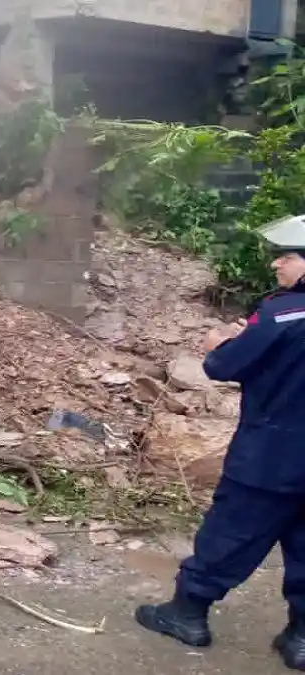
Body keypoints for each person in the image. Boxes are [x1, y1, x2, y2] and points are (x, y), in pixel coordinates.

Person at [135, 213, 305, 670]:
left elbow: (222, 367)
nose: (277, 266)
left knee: (230, 535)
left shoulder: (281, 314)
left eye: (286, 257)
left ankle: (187, 614)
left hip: (271, 457)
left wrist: (218, 342)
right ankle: (302, 639)